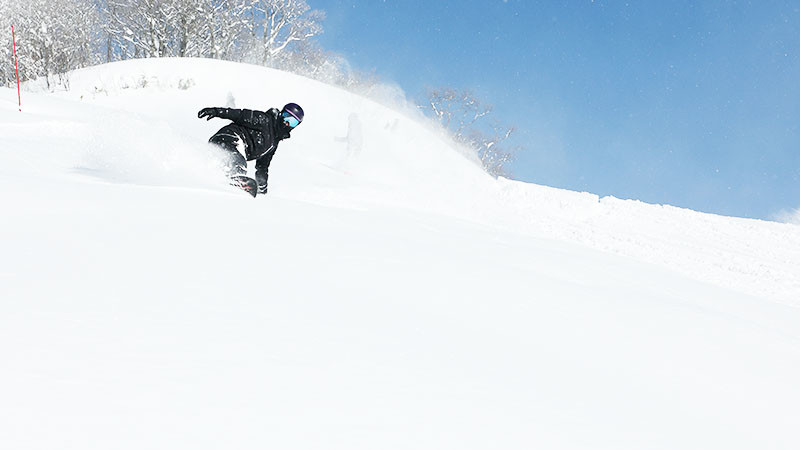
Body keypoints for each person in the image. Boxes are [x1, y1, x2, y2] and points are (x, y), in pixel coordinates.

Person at [198, 102, 304, 195]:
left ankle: (215, 180)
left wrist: (262, 187)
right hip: (229, 138)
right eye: (286, 116)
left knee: (223, 165)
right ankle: (235, 181)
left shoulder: (273, 143)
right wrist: (216, 111)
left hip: (231, 147)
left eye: (292, 121)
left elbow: (262, 167)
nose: (287, 123)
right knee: (238, 162)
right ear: (281, 114)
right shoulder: (264, 120)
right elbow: (239, 114)